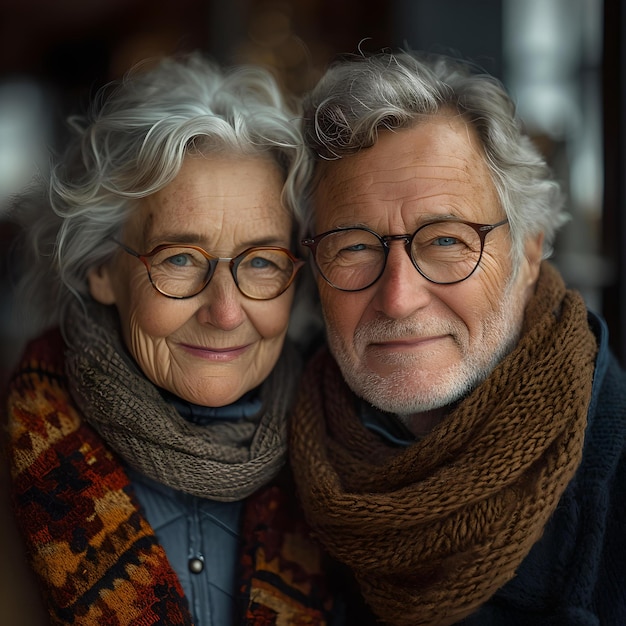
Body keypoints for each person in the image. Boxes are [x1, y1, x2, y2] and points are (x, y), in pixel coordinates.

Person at [289, 50, 626, 626]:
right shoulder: (270, 466)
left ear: (527, 252)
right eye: (354, 245)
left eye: (446, 241)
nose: (398, 297)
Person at [2, 53, 338, 625]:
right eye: (180, 258)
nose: (226, 311)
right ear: (102, 268)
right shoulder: (15, 459)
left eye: (260, 262)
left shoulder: (349, 460)